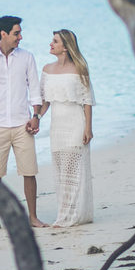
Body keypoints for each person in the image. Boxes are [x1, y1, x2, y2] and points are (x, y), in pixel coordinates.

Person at [0, 15, 47, 231]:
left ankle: (33, 217)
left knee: (29, 171)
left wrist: (36, 116)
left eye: (20, 33)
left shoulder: (27, 58)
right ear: (3, 34)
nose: (20, 37)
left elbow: (35, 91)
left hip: (23, 124)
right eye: (16, 33)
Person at [35, 29, 95, 227]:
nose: (50, 44)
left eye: (55, 41)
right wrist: (36, 118)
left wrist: (88, 128)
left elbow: (87, 100)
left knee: (73, 169)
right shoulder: (47, 69)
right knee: (61, 171)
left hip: (75, 123)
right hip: (57, 126)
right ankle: (64, 214)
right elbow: (44, 101)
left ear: (66, 47)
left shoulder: (79, 69)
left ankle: (74, 214)